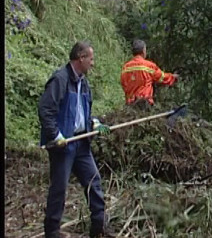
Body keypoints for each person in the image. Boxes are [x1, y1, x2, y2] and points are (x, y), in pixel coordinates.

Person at [38, 41, 114, 238]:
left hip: (81, 143)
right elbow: (46, 110)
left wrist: (94, 124)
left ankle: (99, 227)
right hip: (63, 145)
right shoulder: (60, 80)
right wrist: (56, 135)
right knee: (59, 188)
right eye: (91, 58)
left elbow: (83, 114)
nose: (93, 63)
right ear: (81, 58)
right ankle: (52, 232)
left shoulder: (84, 83)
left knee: (93, 181)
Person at [120, 39, 179, 108]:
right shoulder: (148, 66)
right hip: (144, 104)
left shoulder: (125, 67)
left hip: (130, 105)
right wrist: (173, 77)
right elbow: (162, 77)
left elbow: (124, 84)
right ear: (143, 51)